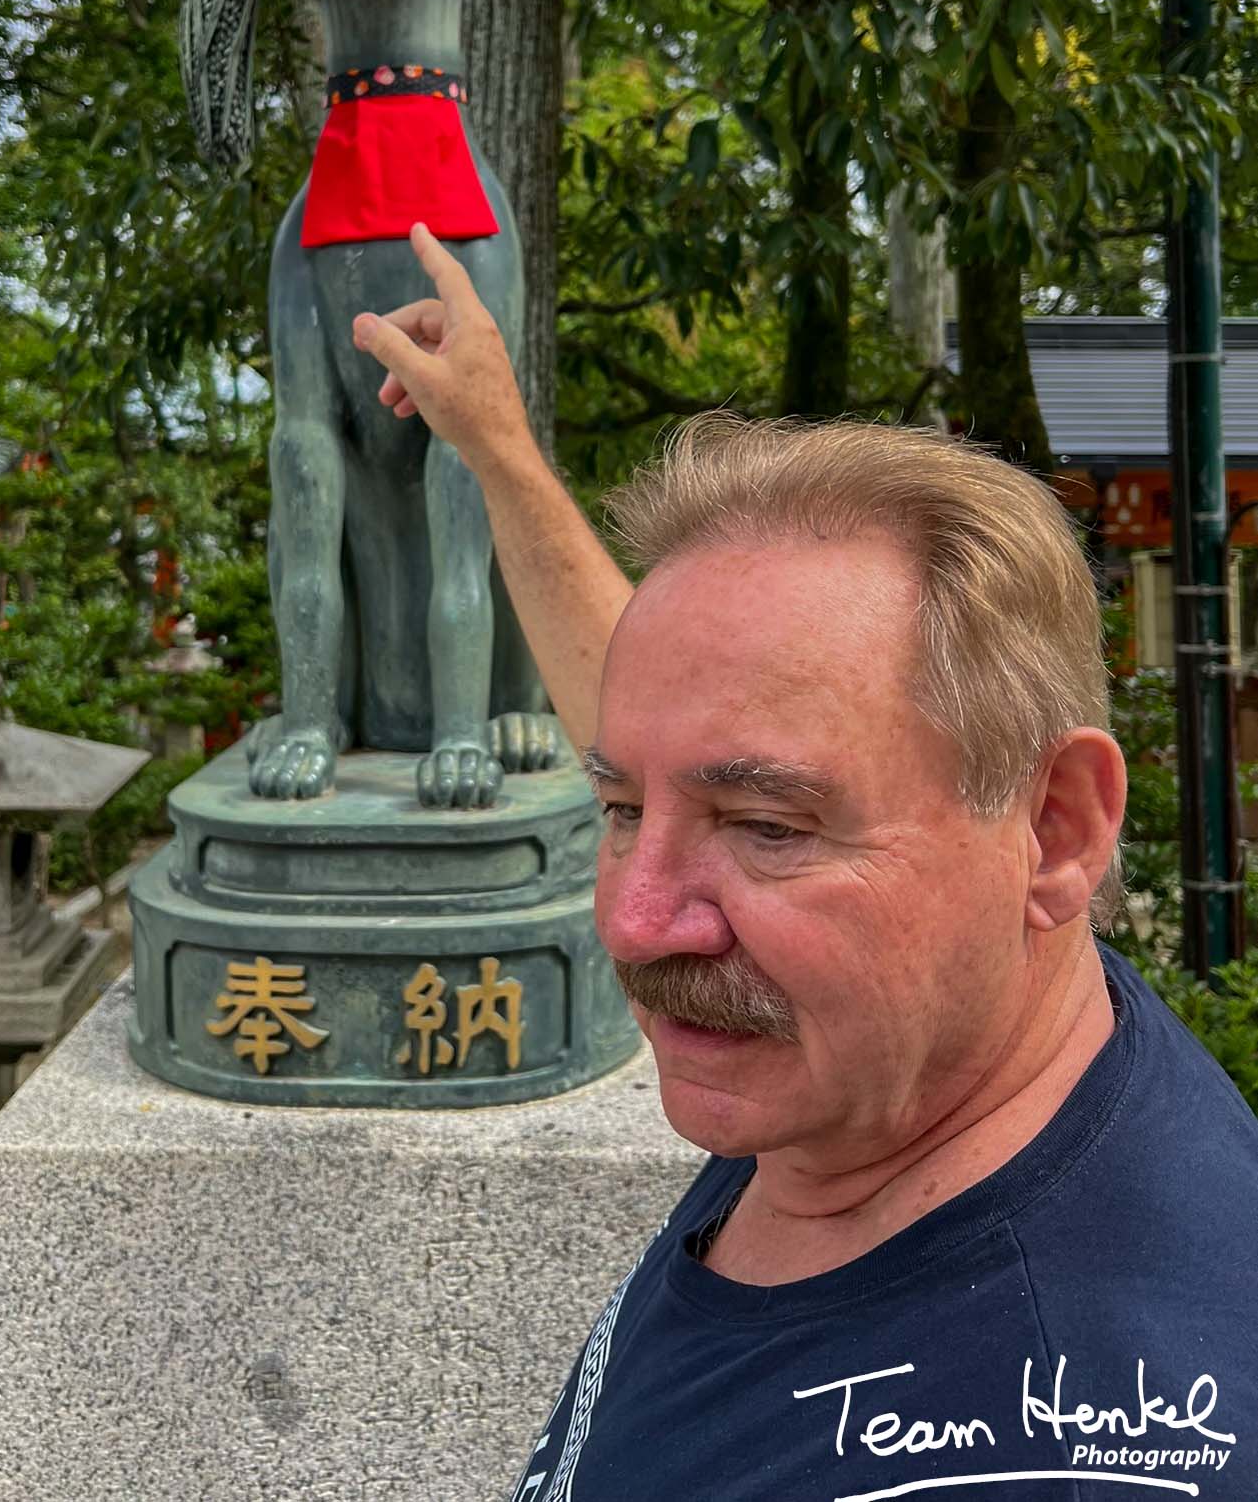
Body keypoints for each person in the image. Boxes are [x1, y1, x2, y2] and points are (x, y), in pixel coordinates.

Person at [353, 225, 1258, 1502]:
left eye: (767, 830)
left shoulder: (1067, 1448)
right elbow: (679, 727)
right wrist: (498, 451)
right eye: (622, 808)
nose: (637, 921)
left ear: (1055, 828)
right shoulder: (911, 1049)